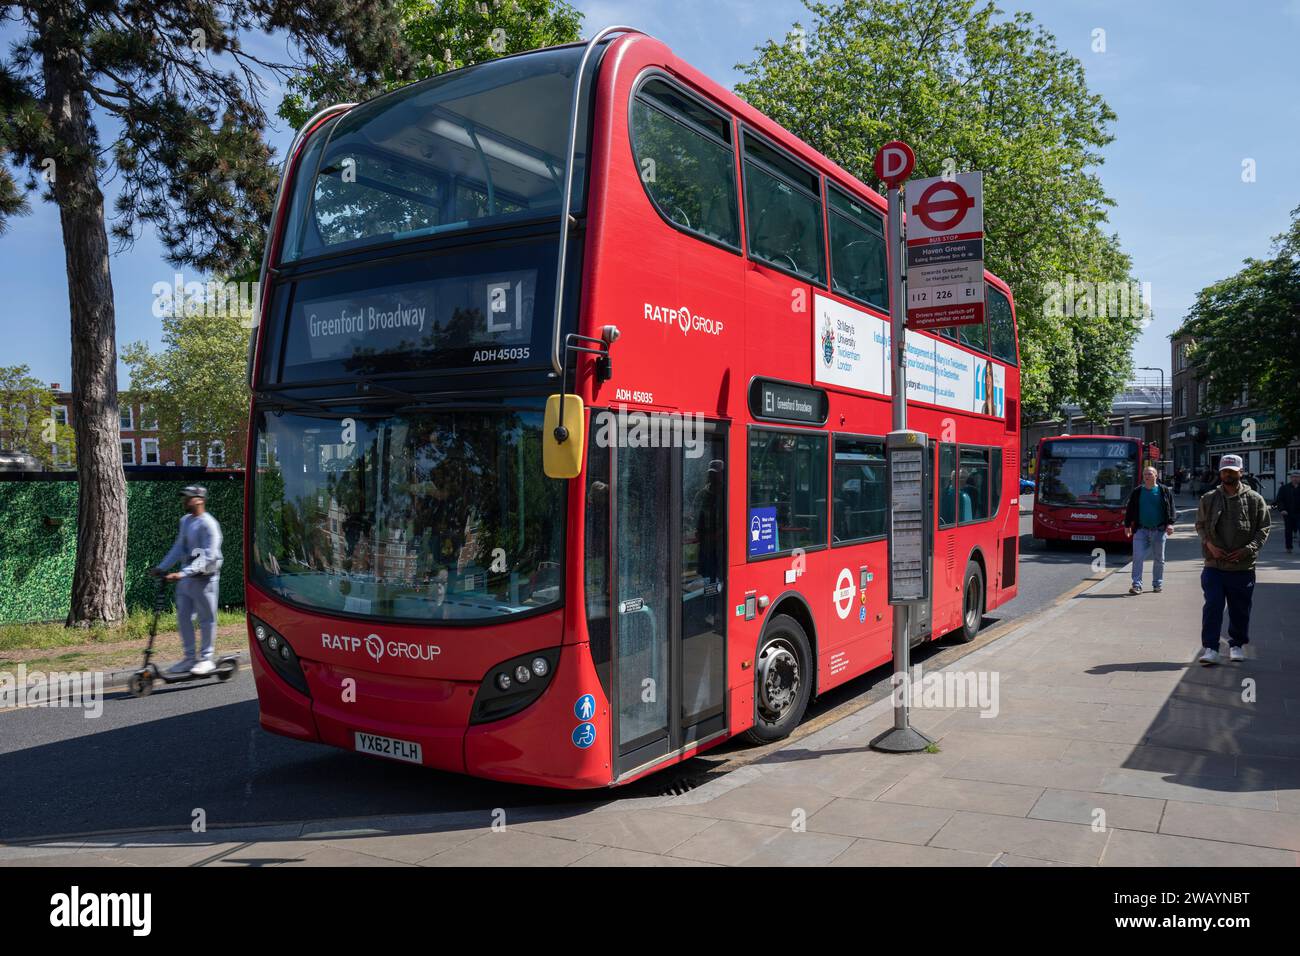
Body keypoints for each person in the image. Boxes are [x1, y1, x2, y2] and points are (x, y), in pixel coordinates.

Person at [1194, 454, 1270, 665]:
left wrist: (1247, 549)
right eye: (1225, 471)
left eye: (1233, 471)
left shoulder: (1255, 499)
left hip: (1242, 566)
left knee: (1239, 609)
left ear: (1241, 473)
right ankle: (1211, 648)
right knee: (1213, 606)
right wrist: (1210, 545)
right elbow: (1200, 525)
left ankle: (1236, 645)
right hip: (1214, 564)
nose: (1228, 474)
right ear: (1220, 473)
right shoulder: (1208, 498)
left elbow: (1263, 529)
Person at [152, 485, 224, 675]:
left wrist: (183, 573)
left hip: (206, 579)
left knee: (207, 618)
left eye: (188, 498)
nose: (184, 501)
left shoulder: (209, 524)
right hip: (187, 578)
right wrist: (162, 567)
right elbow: (179, 548)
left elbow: (209, 556)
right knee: (183, 617)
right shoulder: (185, 521)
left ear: (199, 500)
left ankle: (207, 659)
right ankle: (190, 658)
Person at [1123, 466, 1175, 594]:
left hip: (1159, 530)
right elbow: (1130, 509)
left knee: (1159, 559)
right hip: (1141, 530)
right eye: (1145, 474)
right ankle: (1136, 585)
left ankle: (1157, 584)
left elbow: (1171, 508)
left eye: (1150, 474)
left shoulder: (1163, 491)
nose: (1147, 476)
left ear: (1156, 476)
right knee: (1137, 557)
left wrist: (1170, 524)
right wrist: (1127, 525)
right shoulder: (1137, 491)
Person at [1274, 469, 1300, 553]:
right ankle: (1289, 547)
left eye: (1297, 477)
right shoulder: (1284, 488)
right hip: (1288, 513)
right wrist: (1282, 509)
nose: (1295, 479)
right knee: (1288, 531)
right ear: (1290, 478)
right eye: (1293, 477)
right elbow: (1280, 500)